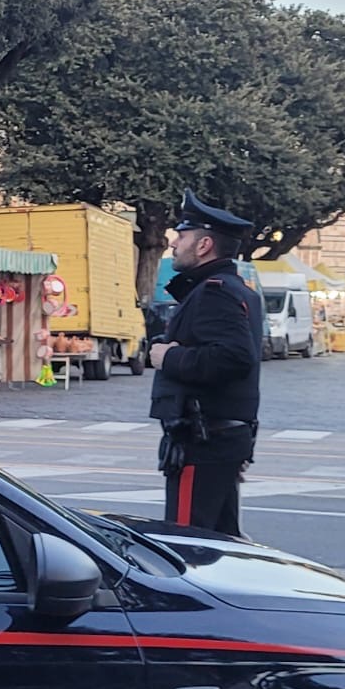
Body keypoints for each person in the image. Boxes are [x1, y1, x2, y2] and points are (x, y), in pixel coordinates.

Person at [148, 191, 264, 534]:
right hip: (219, 438)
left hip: (203, 442)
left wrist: (169, 357)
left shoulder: (215, 292)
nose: (173, 243)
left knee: (187, 546)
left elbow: (234, 358)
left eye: (182, 236)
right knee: (221, 543)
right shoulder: (234, 289)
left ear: (204, 245)